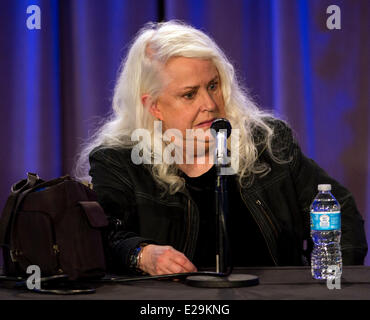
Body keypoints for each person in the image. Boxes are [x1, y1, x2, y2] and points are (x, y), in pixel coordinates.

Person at [75, 20, 367, 276]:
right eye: (189, 94)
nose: (210, 104)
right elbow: (102, 235)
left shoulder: (267, 141)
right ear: (153, 106)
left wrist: (328, 281)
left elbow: (337, 208)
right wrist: (141, 254)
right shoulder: (119, 160)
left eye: (213, 86)